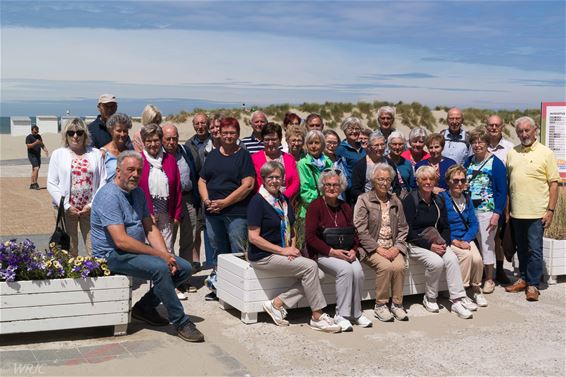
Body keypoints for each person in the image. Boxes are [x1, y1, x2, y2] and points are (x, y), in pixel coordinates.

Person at [90, 150, 204, 342]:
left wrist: (167, 255)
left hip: (131, 251)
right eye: (130, 170)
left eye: (139, 170)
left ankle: (144, 308)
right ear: (118, 171)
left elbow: (150, 228)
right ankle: (181, 321)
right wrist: (160, 257)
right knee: (161, 269)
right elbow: (121, 241)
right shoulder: (109, 195)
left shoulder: (138, 193)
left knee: (183, 268)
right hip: (112, 255)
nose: (135, 174)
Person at [247, 161, 341, 333]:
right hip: (263, 256)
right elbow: (253, 238)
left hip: (282, 252)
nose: (275, 181)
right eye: (271, 177)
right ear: (263, 179)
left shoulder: (283, 200)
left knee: (318, 274)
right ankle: (317, 316)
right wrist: (284, 251)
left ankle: (277, 303)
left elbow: (292, 228)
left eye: (278, 177)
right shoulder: (257, 202)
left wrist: (292, 248)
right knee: (311, 267)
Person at [402, 166, 473, 319]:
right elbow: (408, 231)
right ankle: (430, 297)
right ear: (418, 181)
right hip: (416, 242)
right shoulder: (410, 200)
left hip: (437, 241)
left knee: (452, 259)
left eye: (431, 179)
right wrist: (430, 246)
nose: (428, 182)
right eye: (424, 179)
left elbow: (445, 226)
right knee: (436, 262)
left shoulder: (438, 200)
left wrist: (444, 243)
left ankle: (457, 299)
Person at [305, 169, 372, 331]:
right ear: (322, 186)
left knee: (357, 271)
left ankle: (356, 313)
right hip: (322, 253)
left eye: (335, 185)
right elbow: (310, 238)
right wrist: (332, 252)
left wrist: (354, 250)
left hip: (345, 251)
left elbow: (354, 233)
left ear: (341, 187)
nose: (331, 188)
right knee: (345, 271)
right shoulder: (316, 206)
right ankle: (341, 314)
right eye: (328, 185)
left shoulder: (345, 207)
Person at [198, 117, 255, 300]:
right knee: (218, 250)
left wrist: (225, 202)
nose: (228, 136)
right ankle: (219, 287)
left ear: (238, 135)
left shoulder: (243, 155)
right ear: (219, 134)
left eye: (232, 133)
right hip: (213, 212)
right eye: (225, 133)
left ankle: (238, 291)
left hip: (236, 212)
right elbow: (202, 180)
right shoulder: (213, 155)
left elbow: (248, 184)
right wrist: (207, 200)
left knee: (237, 251)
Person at [505, 116, 559, 301]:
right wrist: (508, 210)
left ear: (535, 129)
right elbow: (510, 183)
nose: (524, 134)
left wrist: (550, 211)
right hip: (517, 212)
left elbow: (554, 184)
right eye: (520, 131)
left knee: (535, 249)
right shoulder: (512, 152)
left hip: (537, 212)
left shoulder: (546, 153)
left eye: (527, 130)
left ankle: (534, 285)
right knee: (521, 248)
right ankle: (524, 279)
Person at [354, 163, 409, 322]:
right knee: (385, 266)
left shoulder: (395, 200)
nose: (384, 183)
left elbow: (403, 227)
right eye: (380, 180)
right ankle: (381, 305)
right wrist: (378, 249)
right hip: (371, 248)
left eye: (387, 180)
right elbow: (360, 229)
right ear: (373, 181)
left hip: (392, 246)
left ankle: (397, 305)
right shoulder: (364, 199)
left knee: (399, 266)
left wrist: (397, 247)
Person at [47, 118, 106, 256]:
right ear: (65, 135)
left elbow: (103, 181)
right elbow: (51, 183)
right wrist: (67, 206)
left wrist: (92, 205)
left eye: (79, 132)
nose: (75, 136)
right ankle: (71, 276)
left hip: (90, 209)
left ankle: (97, 273)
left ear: (85, 134)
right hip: (67, 210)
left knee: (94, 247)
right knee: (69, 249)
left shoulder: (95, 154)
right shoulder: (58, 154)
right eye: (71, 132)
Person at [463, 127, 507, 294]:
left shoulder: (496, 163)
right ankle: (475, 277)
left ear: (487, 143)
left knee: (487, 244)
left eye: (481, 141)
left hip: (487, 211)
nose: (477, 145)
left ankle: (489, 278)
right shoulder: (468, 161)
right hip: (469, 210)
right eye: (474, 142)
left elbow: (502, 191)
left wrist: (497, 213)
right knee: (472, 244)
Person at [162, 123, 201, 298]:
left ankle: (184, 278)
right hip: (168, 203)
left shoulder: (184, 150)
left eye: (174, 138)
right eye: (168, 138)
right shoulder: (159, 156)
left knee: (189, 239)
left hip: (188, 199)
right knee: (168, 241)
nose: (172, 142)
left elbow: (193, 171)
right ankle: (171, 279)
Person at [440, 165, 487, 308]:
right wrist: (455, 241)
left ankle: (476, 288)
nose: (459, 184)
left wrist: (466, 240)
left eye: (462, 180)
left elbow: (473, 223)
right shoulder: (442, 198)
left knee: (478, 259)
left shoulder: (466, 198)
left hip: (465, 237)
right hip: (451, 239)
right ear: (448, 181)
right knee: (466, 257)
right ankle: (462, 291)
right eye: (455, 180)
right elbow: (442, 224)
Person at [138, 124, 182, 254]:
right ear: (143, 141)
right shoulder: (138, 159)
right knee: (148, 251)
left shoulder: (170, 160)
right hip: (145, 216)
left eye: (156, 140)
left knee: (167, 251)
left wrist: (176, 216)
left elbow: (177, 189)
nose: (153, 144)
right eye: (149, 141)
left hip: (166, 216)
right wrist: (145, 214)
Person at [485, 114, 514, 283]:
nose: (494, 128)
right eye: (491, 125)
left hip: (501, 197)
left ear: (502, 127)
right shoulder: (480, 145)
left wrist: (507, 205)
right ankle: (483, 269)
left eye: (497, 125)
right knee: (483, 234)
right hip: (481, 198)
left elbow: (510, 177)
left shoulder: (509, 148)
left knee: (498, 237)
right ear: (486, 127)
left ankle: (500, 269)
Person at [252, 122, 299, 200]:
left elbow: (295, 182)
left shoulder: (289, 159)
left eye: (274, 139)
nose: (270, 143)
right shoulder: (254, 159)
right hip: (263, 202)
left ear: (280, 140)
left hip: (285, 202)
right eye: (267, 140)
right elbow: (255, 184)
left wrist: (283, 198)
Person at [351, 131, 401, 204]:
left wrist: (394, 195)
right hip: (368, 203)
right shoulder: (360, 165)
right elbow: (355, 190)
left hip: (388, 203)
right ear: (369, 147)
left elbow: (396, 186)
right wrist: (367, 200)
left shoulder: (389, 163)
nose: (380, 148)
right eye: (376, 145)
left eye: (382, 144)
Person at [101, 113, 133, 182]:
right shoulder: (103, 153)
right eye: (119, 131)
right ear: (111, 131)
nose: (122, 134)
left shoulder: (130, 153)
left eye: (125, 131)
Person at [387, 131, 415, 197]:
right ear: (389, 145)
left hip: (405, 197)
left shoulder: (407, 163)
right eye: (394, 144)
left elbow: (411, 185)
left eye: (400, 144)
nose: (397, 147)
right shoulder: (384, 162)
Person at [323, 129, 350, 195]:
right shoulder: (318, 161)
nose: (332, 146)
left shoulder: (341, 160)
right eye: (329, 142)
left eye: (335, 143)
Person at [25, 125, 48, 189]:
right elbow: (28, 146)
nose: (36, 133)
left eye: (37, 132)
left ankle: (32, 184)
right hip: (32, 155)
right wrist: (36, 142)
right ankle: (35, 183)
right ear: (32, 131)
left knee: (34, 169)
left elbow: (41, 144)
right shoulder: (28, 137)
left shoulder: (39, 136)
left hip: (38, 155)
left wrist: (45, 149)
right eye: (35, 132)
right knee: (36, 168)